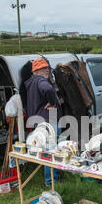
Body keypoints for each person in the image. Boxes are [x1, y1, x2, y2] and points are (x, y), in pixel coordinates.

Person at [24, 58, 62, 186]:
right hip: (48, 121)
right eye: (45, 68)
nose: (47, 70)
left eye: (47, 67)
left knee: (44, 149)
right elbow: (48, 89)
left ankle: (52, 177)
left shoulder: (31, 83)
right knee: (50, 151)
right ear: (37, 70)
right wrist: (52, 102)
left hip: (37, 121)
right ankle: (51, 181)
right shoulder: (41, 80)